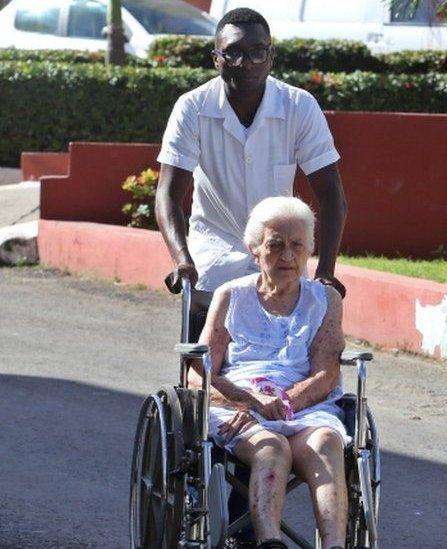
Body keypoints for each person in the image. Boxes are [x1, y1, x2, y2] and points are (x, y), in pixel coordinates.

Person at [155, 7, 348, 298]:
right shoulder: (192, 108)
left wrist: (326, 271)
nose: (245, 64)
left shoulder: (300, 106)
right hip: (213, 263)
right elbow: (168, 194)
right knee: (209, 329)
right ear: (216, 59)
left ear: (271, 57)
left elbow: (331, 194)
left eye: (257, 53)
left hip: (281, 261)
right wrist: (182, 260)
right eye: (232, 53)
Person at [190, 197, 348, 549]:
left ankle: (335, 544)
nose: (287, 256)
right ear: (255, 250)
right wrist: (248, 400)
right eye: (275, 245)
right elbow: (198, 374)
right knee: (271, 447)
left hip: (304, 407)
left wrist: (282, 402)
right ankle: (269, 542)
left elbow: (326, 374)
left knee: (326, 443)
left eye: (297, 245)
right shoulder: (231, 296)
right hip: (239, 408)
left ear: (309, 250)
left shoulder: (326, 300)